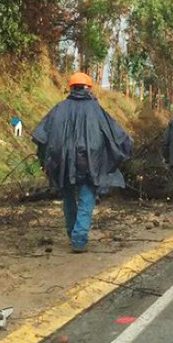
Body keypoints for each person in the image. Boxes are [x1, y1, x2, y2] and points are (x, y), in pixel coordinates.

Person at [32, 72, 133, 253]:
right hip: (90, 163)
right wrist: (121, 153)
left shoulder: (59, 108)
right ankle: (79, 239)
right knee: (86, 198)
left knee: (68, 198)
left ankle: (73, 234)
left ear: (70, 88)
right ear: (88, 89)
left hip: (63, 162)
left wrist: (45, 162)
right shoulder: (96, 110)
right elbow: (118, 136)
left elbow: (42, 136)